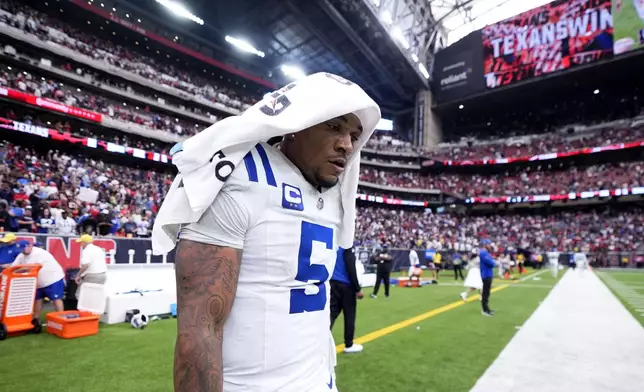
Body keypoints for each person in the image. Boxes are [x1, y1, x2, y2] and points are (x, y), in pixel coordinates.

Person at [172, 88, 376, 391]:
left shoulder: (332, 192)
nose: (347, 145)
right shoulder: (241, 176)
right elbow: (200, 328)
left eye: (354, 136)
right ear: (295, 124)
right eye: (334, 126)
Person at [10, 240, 65, 321]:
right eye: (20, 249)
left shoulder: (39, 253)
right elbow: (13, 266)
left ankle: (61, 318)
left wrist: (17, 270)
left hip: (53, 278)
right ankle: (36, 319)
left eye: (23, 249)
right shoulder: (21, 255)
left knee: (56, 299)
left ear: (30, 246)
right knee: (37, 299)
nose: (22, 251)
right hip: (39, 281)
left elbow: (32, 267)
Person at [330, 247, 364, 354]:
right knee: (349, 315)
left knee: (331, 314)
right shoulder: (347, 249)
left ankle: (321, 341)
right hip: (346, 286)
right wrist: (357, 289)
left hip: (333, 283)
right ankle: (349, 344)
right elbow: (351, 269)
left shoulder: (334, 247)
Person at [74, 234, 107, 299]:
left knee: (80, 295)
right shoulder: (99, 249)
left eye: (81, 242)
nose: (80, 244)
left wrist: (78, 275)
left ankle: (84, 309)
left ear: (84, 242)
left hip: (92, 276)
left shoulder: (86, 250)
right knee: (96, 296)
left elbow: (86, 265)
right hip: (102, 275)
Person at [479, 240, 496, 316]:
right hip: (485, 274)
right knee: (485, 293)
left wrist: (493, 262)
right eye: (488, 244)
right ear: (485, 245)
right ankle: (484, 310)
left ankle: (487, 309)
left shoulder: (487, 253)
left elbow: (492, 262)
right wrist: (493, 262)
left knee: (487, 293)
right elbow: (491, 263)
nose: (490, 246)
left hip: (488, 274)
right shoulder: (483, 253)